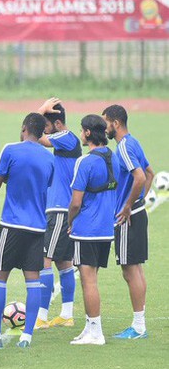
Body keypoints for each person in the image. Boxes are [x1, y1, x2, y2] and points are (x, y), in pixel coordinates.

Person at [0, 112, 54, 348]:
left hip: (12, 225)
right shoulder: (49, 158)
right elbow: (44, 184)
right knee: (32, 280)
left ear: (24, 127)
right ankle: (27, 336)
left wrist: (9, 178)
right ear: (43, 132)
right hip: (37, 227)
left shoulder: (11, 149)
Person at [103, 104, 154, 339]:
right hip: (137, 213)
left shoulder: (123, 146)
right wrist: (140, 201)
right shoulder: (133, 142)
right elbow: (150, 172)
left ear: (115, 123)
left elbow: (141, 176)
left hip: (128, 217)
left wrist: (127, 206)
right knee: (136, 269)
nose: (104, 129)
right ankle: (139, 324)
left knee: (129, 270)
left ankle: (139, 327)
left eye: (106, 124)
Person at [68, 115, 117, 346]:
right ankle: (89, 327)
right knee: (92, 279)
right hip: (106, 229)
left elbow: (76, 202)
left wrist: (69, 221)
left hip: (87, 229)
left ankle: (96, 332)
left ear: (87, 133)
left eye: (81, 130)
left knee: (88, 281)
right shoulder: (113, 157)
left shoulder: (84, 162)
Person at [34, 98, 81, 329]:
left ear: (58, 124)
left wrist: (39, 111)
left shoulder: (66, 137)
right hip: (59, 209)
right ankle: (66, 314)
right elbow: (30, 135)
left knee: (44, 261)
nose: (44, 129)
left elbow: (34, 135)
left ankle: (41, 316)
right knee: (64, 263)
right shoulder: (63, 141)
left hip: (59, 210)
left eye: (47, 124)